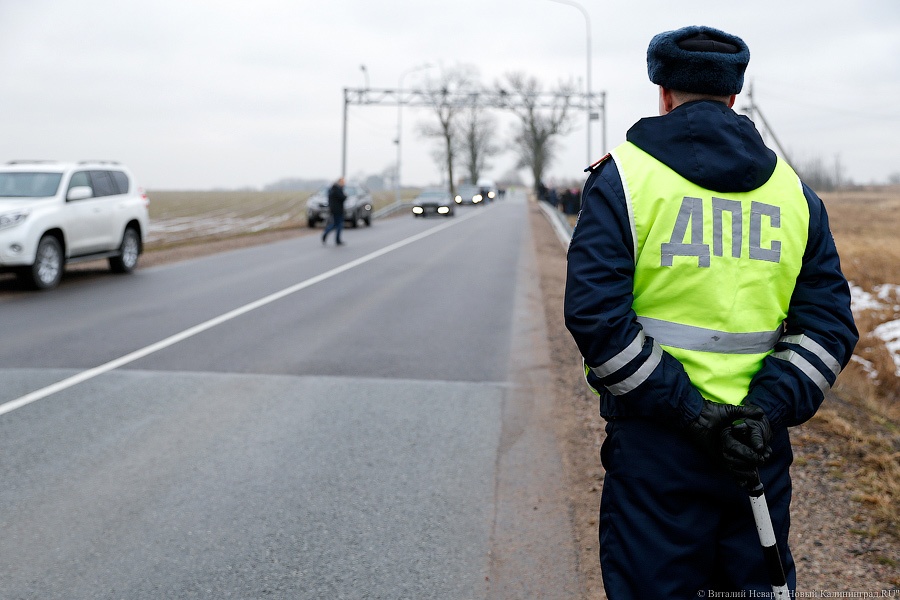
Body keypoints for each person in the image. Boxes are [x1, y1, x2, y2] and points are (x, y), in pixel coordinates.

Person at [564, 25, 858, 598]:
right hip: (756, 450)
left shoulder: (623, 178)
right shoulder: (794, 194)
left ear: (664, 94)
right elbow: (828, 327)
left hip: (655, 451)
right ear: (733, 96)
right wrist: (764, 412)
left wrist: (690, 413)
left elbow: (597, 316)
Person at [322, 177, 346, 245]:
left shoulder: (331, 189)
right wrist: (345, 195)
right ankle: (337, 240)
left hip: (334, 209)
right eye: (343, 182)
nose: (344, 184)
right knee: (339, 224)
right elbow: (343, 197)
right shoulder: (337, 190)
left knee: (335, 224)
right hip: (338, 210)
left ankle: (326, 233)